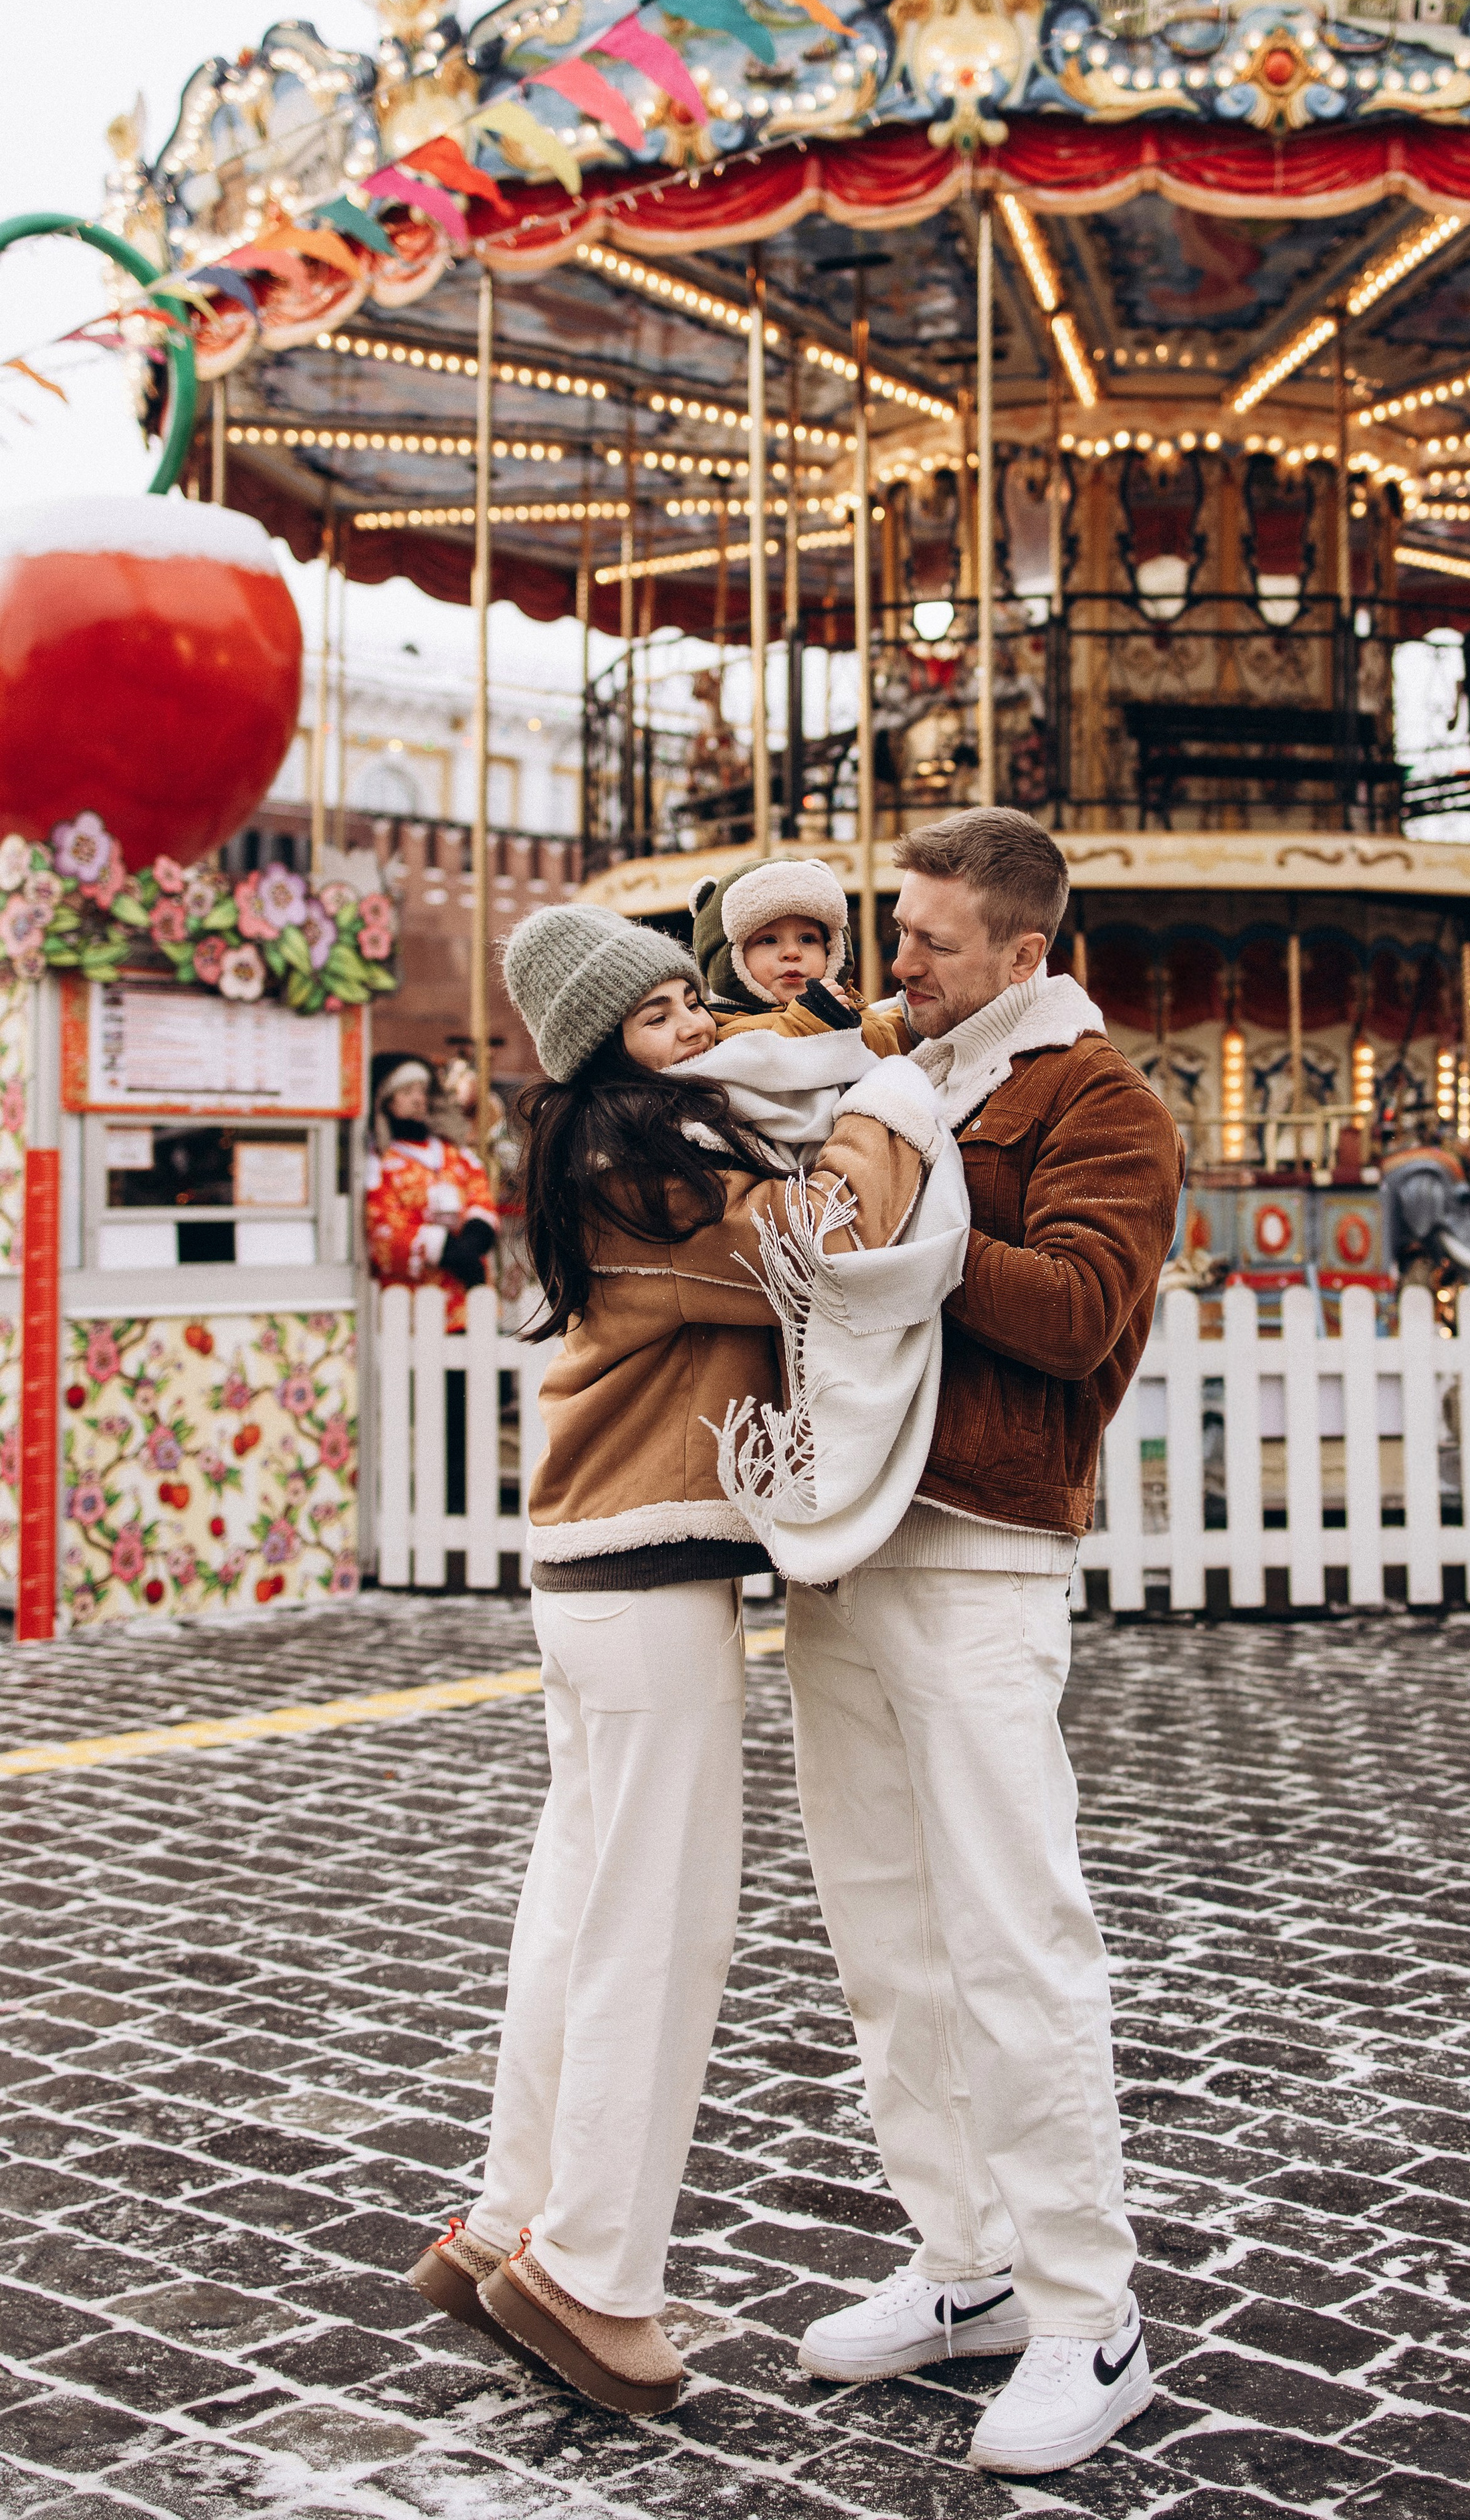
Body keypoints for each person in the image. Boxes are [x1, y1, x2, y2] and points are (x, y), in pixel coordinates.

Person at [407, 904, 942, 2419]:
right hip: (640, 1585)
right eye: (652, 1018)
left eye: (679, 996)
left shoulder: (610, 1145)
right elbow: (812, 1242)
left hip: (593, 1577)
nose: (689, 1023)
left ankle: (508, 2216)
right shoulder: (644, 1162)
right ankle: (590, 2274)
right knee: (660, 1923)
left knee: (577, 1908)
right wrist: (885, 1098)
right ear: (599, 1049)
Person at [786, 809, 1184, 2478]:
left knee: (1012, 1936)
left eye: (927, 939)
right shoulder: (901, 1069)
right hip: (848, 1540)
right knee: (884, 1933)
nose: (893, 961)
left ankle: (1089, 2304)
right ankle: (964, 2268)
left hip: (983, 1547)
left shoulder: (1100, 1103)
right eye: (896, 929)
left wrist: (906, 1252)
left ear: (1024, 955)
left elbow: (1085, 1310)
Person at [691, 855, 908, 1053]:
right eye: (768, 940)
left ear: (832, 949)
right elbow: (766, 1062)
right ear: (729, 959)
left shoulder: (845, 1001)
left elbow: (883, 1041)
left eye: (808, 939)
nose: (793, 953)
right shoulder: (722, 1034)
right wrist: (811, 1021)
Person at [364, 1054, 498, 1329]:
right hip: (413, 1306)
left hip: (468, 1299)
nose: (418, 1100)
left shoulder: (455, 1154)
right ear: (387, 1101)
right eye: (407, 1092)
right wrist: (444, 1248)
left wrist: (474, 1239)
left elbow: (480, 1195)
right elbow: (381, 1225)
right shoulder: (381, 1163)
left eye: (422, 1092)